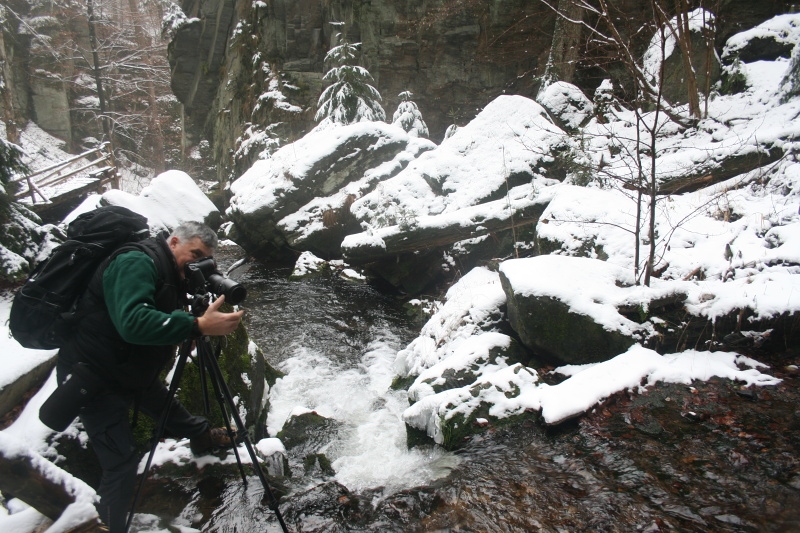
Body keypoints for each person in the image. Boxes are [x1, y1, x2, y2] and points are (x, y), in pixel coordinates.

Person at [55, 221, 244, 533]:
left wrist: (190, 320)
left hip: (129, 369)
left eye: (203, 259)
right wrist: (195, 326)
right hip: (94, 376)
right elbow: (133, 322)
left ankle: (201, 435)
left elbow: (159, 309)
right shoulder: (136, 262)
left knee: (167, 408)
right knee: (121, 462)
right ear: (173, 241)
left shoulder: (171, 269)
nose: (196, 262)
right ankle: (108, 525)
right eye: (193, 253)